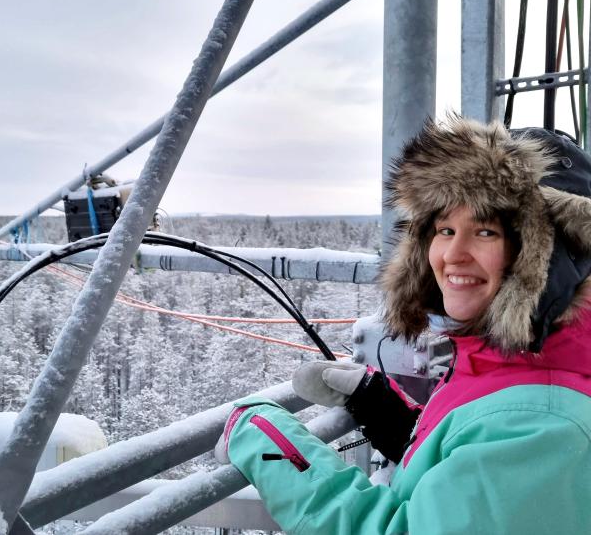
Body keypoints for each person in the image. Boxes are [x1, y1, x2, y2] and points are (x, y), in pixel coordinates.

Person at [215, 116, 591, 534]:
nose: (453, 254)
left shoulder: (539, 425)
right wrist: (395, 420)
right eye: (445, 229)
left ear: (547, 259)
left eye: (485, 231)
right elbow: (480, 481)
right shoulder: (520, 359)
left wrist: (270, 443)